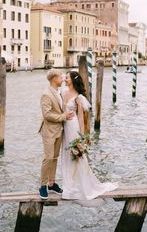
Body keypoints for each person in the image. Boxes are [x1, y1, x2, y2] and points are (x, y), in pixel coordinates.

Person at [61, 70, 118, 200]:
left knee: (76, 156)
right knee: (66, 156)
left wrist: (82, 136)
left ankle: (82, 186)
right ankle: (69, 186)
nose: (65, 79)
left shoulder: (79, 97)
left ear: (73, 80)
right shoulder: (63, 92)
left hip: (73, 127)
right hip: (64, 127)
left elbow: (81, 118)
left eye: (67, 77)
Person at [39, 69, 74, 200]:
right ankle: (42, 186)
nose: (63, 78)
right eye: (61, 76)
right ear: (54, 79)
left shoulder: (59, 92)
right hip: (49, 131)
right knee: (48, 158)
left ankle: (51, 183)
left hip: (59, 130)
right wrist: (63, 116)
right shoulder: (46, 95)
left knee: (54, 158)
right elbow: (47, 115)